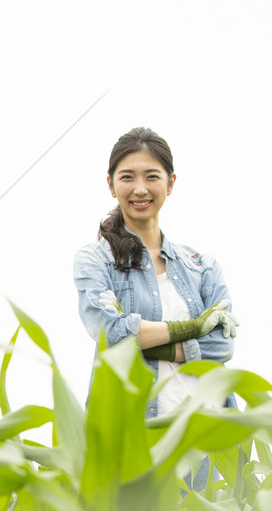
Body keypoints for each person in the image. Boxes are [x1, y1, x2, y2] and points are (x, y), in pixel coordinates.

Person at [73, 126, 238, 420]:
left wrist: (142, 342)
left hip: (205, 435)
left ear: (170, 183)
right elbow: (109, 333)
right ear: (111, 185)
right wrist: (193, 328)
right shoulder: (96, 260)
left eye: (152, 176)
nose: (140, 188)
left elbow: (222, 345)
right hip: (133, 434)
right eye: (127, 177)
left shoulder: (202, 266)